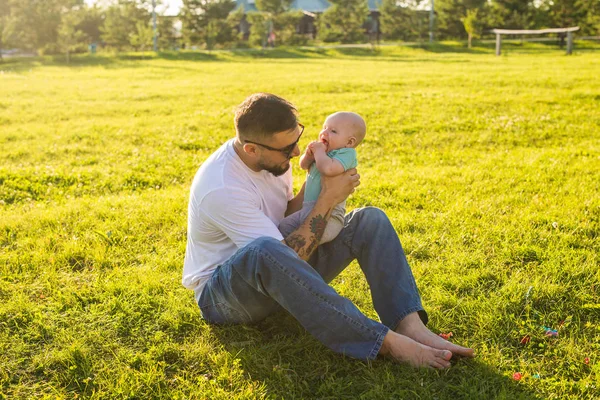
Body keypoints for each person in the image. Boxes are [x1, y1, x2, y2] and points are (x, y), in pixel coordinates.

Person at [182, 93, 474, 368]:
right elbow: (284, 258)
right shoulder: (222, 188)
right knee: (265, 249)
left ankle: (409, 325)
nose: (296, 151)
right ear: (251, 149)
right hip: (227, 297)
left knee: (369, 219)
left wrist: (320, 184)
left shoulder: (272, 159)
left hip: (278, 269)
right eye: (287, 149)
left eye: (296, 139)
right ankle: (385, 343)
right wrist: (328, 199)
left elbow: (285, 211)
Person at [279, 111, 365, 244]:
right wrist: (308, 156)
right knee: (283, 227)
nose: (324, 133)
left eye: (333, 131)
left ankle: (307, 255)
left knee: (314, 237)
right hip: (307, 209)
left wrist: (319, 152)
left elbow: (329, 169)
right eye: (324, 127)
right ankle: (287, 255)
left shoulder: (346, 154)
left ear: (349, 142)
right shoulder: (324, 152)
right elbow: (303, 165)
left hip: (330, 214)